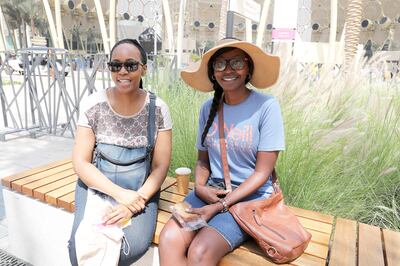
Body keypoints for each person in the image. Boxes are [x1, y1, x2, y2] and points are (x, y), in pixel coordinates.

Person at [159, 38, 285, 265]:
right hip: (212, 191)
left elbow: (262, 173)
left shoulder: (266, 106)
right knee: (168, 238)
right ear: (212, 72)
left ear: (248, 68)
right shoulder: (208, 108)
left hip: (249, 200)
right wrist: (199, 187)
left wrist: (220, 206)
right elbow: (203, 161)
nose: (228, 70)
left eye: (236, 62)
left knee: (199, 252)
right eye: (220, 64)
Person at [68, 38, 172, 266]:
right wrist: (120, 194)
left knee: (129, 247)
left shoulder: (158, 109)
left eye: (131, 65)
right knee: (78, 249)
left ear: (144, 68)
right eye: (116, 65)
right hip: (98, 184)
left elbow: (160, 166)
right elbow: (81, 162)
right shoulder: (93, 105)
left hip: (141, 187)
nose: (122, 71)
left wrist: (132, 202)